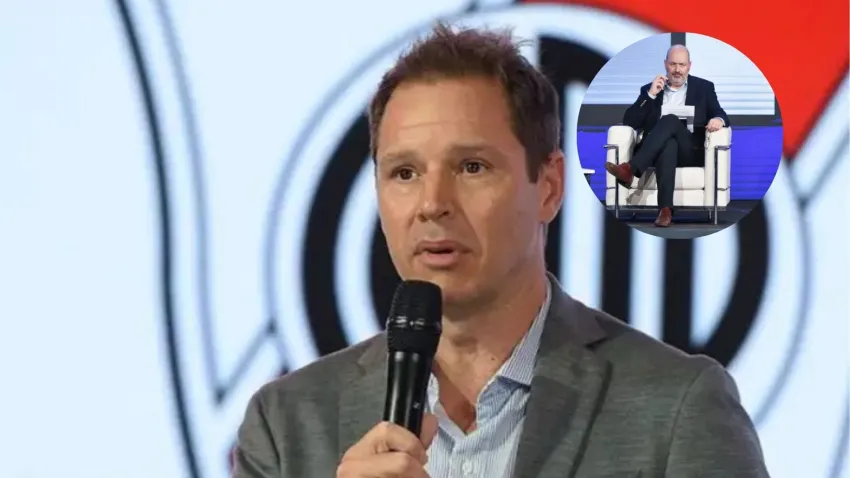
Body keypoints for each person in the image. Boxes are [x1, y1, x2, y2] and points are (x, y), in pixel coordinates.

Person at [232, 25, 767, 478]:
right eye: (404, 173)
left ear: (549, 187)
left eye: (472, 167)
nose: (432, 204)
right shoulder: (286, 425)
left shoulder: (677, 407)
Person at [604, 44, 730, 227]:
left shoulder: (704, 88)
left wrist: (718, 119)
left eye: (682, 65)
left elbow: (720, 113)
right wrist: (650, 95)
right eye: (673, 64)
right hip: (656, 152)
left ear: (689, 66)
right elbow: (629, 121)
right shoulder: (650, 89)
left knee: (670, 120)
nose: (677, 70)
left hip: (689, 151)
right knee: (669, 144)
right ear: (665, 64)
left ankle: (631, 169)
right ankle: (665, 211)